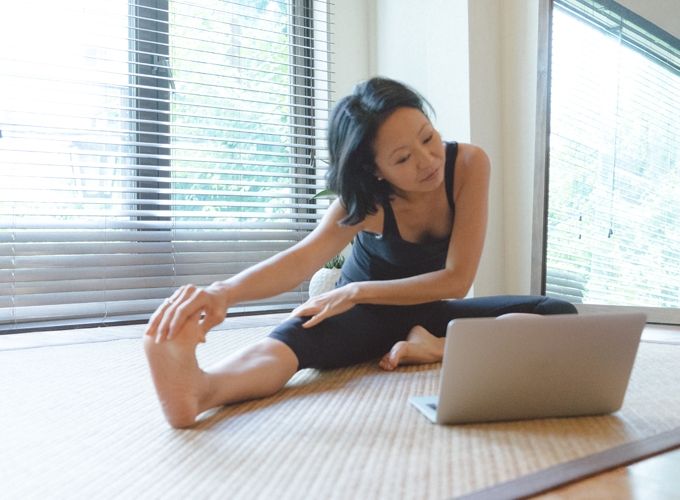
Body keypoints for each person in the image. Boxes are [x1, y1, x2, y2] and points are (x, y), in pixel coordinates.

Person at [143, 77, 576, 428]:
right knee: (289, 347)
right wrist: (222, 293)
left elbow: (457, 279)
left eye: (429, 137)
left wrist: (357, 291)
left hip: (425, 312)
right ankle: (201, 388)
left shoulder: (467, 165)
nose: (427, 161)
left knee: (556, 312)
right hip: (360, 316)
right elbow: (302, 258)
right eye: (403, 158)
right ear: (374, 170)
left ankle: (435, 347)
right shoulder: (361, 202)